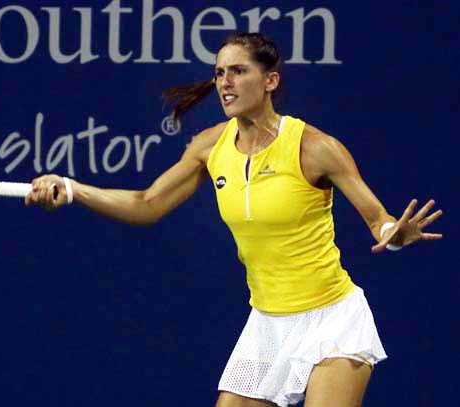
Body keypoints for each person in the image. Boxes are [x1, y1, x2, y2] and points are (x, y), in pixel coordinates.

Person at [24, 32, 443, 407]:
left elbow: (378, 219)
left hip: (332, 318)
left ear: (270, 81)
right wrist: (72, 188)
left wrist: (395, 235)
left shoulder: (316, 147)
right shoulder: (209, 147)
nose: (224, 82)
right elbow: (146, 203)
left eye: (238, 71)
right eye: (219, 72)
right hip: (266, 321)